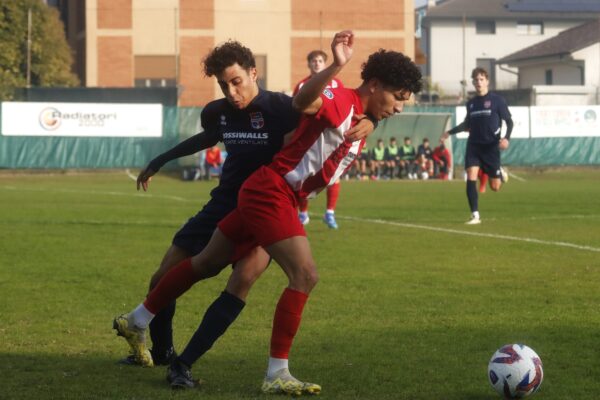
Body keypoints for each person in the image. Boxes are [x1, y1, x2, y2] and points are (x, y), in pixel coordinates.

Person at [113, 30, 422, 395]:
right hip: (271, 192)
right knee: (304, 275)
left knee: (213, 267)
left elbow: (337, 111)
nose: (401, 107)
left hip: (268, 193)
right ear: (373, 84)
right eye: (398, 98)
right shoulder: (340, 98)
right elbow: (307, 101)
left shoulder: (357, 110)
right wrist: (337, 65)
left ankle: (141, 320)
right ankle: (276, 371)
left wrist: (375, 119)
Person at [440, 66, 513, 224]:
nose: (478, 82)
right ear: (473, 83)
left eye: (481, 79)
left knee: (495, 187)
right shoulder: (471, 104)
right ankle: (475, 215)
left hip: (491, 147)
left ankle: (499, 173)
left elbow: (509, 121)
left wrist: (506, 138)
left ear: (487, 81)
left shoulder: (497, 101)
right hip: (474, 146)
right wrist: (449, 132)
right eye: (476, 80)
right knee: (470, 177)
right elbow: (467, 124)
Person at [294, 50, 344, 229]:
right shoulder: (302, 85)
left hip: (331, 138)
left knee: (333, 176)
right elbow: (296, 111)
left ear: (325, 64)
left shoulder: (337, 84)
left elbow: (343, 108)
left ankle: (329, 213)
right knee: (303, 177)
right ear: (309, 65)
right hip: (310, 139)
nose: (317, 63)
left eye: (320, 61)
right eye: (313, 61)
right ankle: (303, 214)